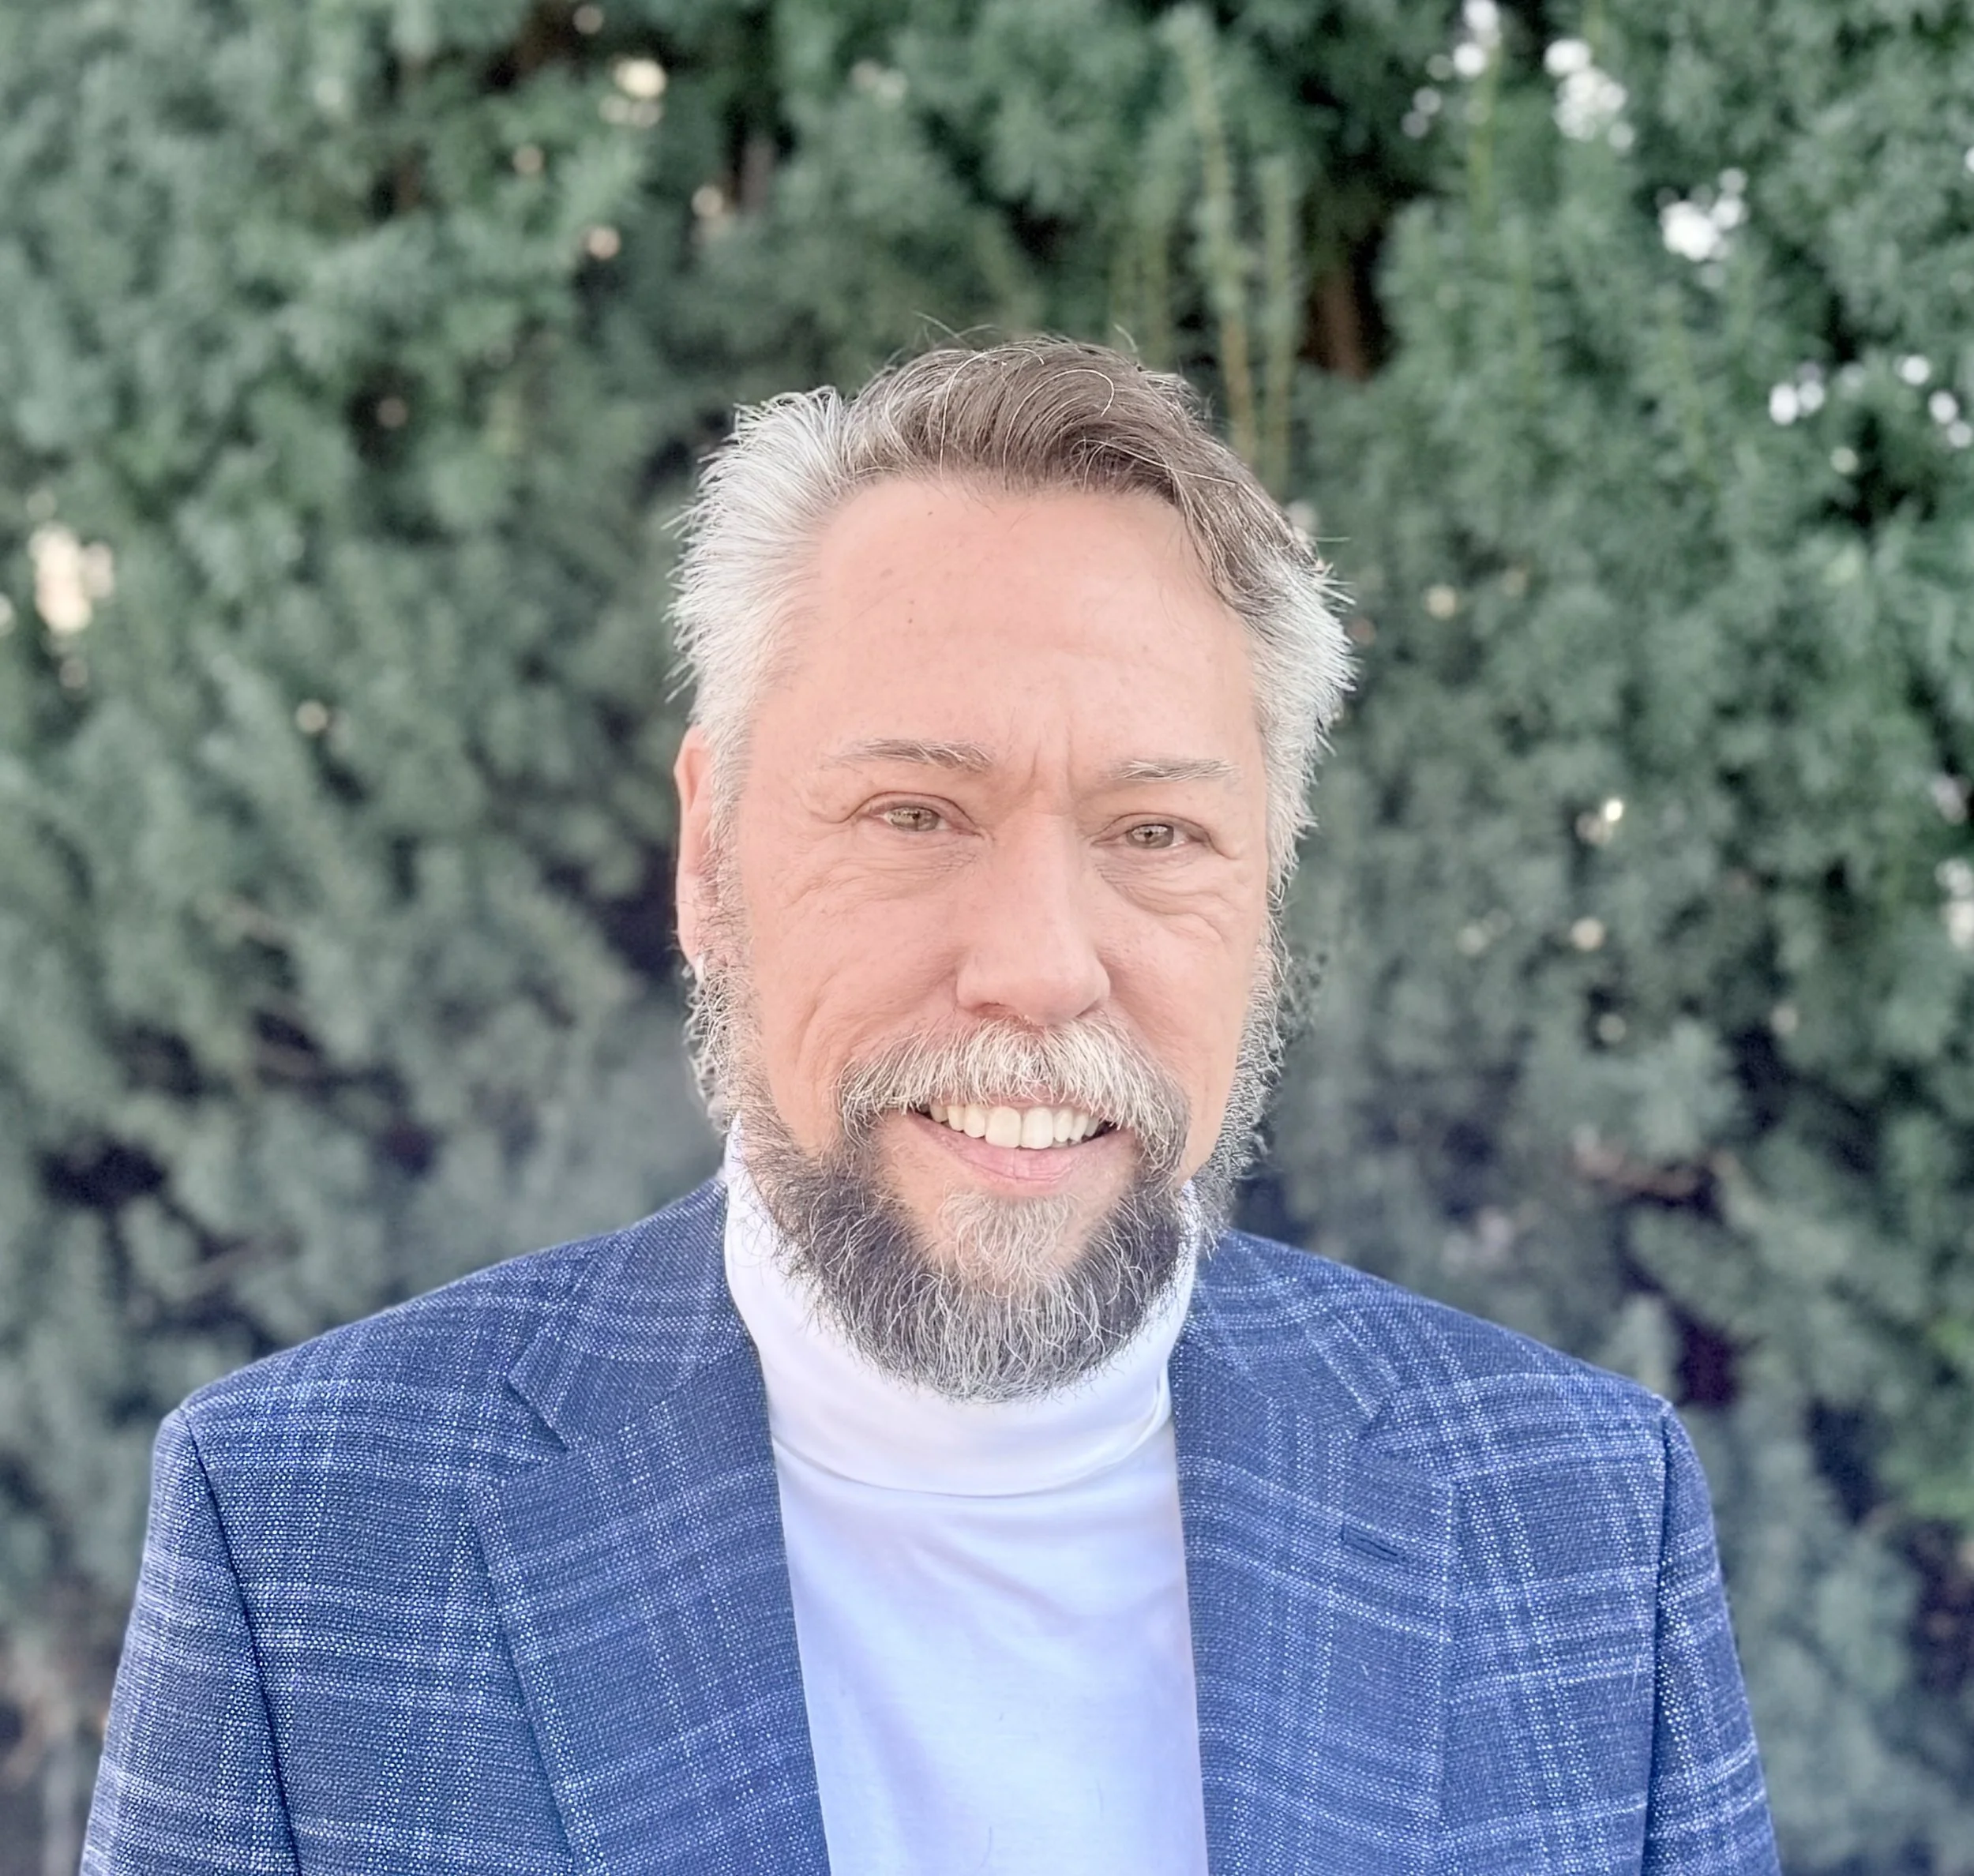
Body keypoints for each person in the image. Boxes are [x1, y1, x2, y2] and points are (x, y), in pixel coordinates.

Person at [83, 339, 1780, 1875]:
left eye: (1155, 834)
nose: (1037, 967)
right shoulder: (306, 1541)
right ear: (707, 853)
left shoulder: (1576, 1523)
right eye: (912, 814)